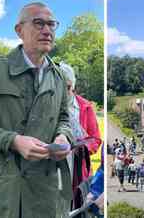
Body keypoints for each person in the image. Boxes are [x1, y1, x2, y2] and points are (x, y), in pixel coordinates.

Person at [0, 2, 74, 218]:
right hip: (3, 189)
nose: (47, 30)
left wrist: (63, 136)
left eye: (52, 24)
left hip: (45, 191)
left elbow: (64, 118)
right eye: (39, 23)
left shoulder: (58, 77)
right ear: (19, 30)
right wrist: (13, 141)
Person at [59, 62, 102, 212]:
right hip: (53, 171)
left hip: (78, 170)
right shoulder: (47, 106)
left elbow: (96, 139)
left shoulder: (85, 106)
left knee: (76, 208)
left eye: (67, 87)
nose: (64, 92)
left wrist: (82, 147)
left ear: (72, 86)